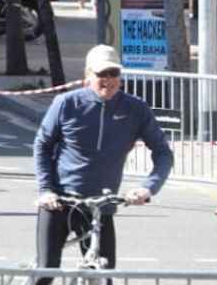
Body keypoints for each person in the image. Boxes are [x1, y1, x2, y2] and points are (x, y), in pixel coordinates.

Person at [32, 44, 173, 276]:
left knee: (104, 276)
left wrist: (148, 188)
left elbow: (163, 153)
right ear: (88, 76)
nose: (108, 80)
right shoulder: (66, 103)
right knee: (46, 272)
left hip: (101, 205)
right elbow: (42, 146)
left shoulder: (135, 108)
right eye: (101, 74)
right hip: (60, 201)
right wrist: (46, 189)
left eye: (114, 73)